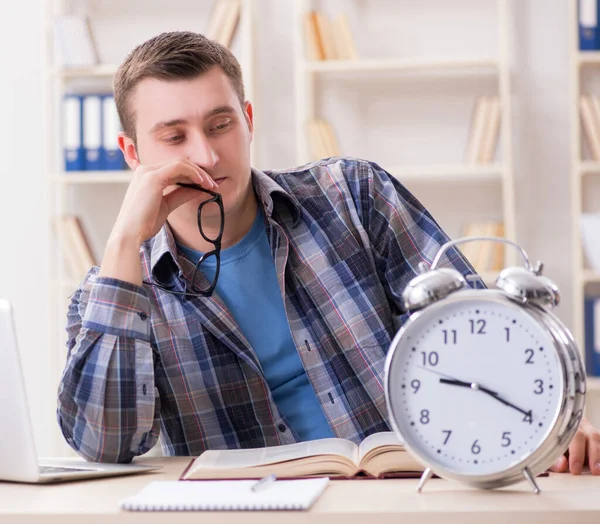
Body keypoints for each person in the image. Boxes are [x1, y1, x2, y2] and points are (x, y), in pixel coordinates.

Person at [57, 31, 599, 475]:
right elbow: (106, 444)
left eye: (220, 125)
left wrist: (551, 425)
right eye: (173, 138)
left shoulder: (354, 196)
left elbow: (473, 331)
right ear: (133, 153)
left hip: (405, 497)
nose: (205, 155)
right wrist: (125, 243)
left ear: (248, 119)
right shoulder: (108, 293)